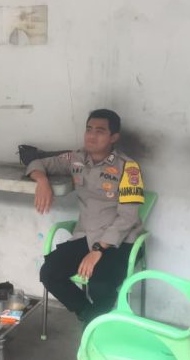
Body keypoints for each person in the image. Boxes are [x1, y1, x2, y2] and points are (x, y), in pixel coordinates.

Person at [26, 109, 145, 324]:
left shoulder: (128, 168)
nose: (91, 136)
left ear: (114, 137)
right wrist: (42, 182)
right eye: (89, 129)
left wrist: (98, 250)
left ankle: (94, 323)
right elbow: (37, 163)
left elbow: (127, 218)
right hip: (86, 234)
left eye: (100, 131)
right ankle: (90, 317)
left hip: (121, 241)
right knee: (50, 273)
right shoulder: (76, 159)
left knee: (100, 285)